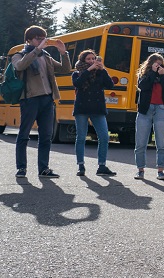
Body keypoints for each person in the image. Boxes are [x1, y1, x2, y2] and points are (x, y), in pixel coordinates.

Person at [12, 26, 71, 179]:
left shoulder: (46, 56)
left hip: (47, 99)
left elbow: (65, 69)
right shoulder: (19, 55)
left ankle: (43, 168)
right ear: (29, 40)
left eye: (43, 38)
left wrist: (63, 53)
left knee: (46, 136)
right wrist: (37, 50)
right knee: (24, 135)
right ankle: (21, 168)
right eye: (38, 38)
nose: (42, 41)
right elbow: (20, 66)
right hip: (30, 99)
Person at [134, 53, 164, 180]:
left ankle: (160, 170)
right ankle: (140, 170)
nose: (158, 66)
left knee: (161, 141)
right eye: (155, 64)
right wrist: (153, 73)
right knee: (141, 142)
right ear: (150, 64)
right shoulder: (144, 76)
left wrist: (163, 75)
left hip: (161, 109)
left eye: (160, 64)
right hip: (145, 109)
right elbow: (143, 87)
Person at [72, 49, 117, 177]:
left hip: (98, 109)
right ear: (83, 60)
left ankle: (102, 166)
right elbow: (78, 84)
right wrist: (88, 70)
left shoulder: (100, 73)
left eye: (93, 58)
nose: (92, 61)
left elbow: (110, 85)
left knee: (104, 137)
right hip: (82, 108)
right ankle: (81, 166)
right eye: (88, 59)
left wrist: (103, 70)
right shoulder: (77, 73)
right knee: (81, 137)